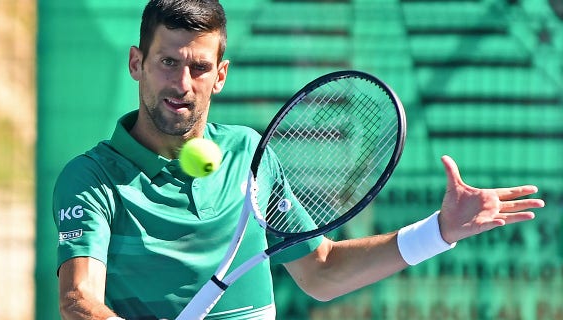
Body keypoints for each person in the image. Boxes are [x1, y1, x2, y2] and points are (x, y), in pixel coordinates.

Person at [52, 1, 546, 319]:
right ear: (137, 63)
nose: (182, 84)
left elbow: (321, 270)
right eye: (168, 62)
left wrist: (438, 232)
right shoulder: (91, 178)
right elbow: (79, 299)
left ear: (219, 76)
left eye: (199, 67)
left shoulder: (250, 154)